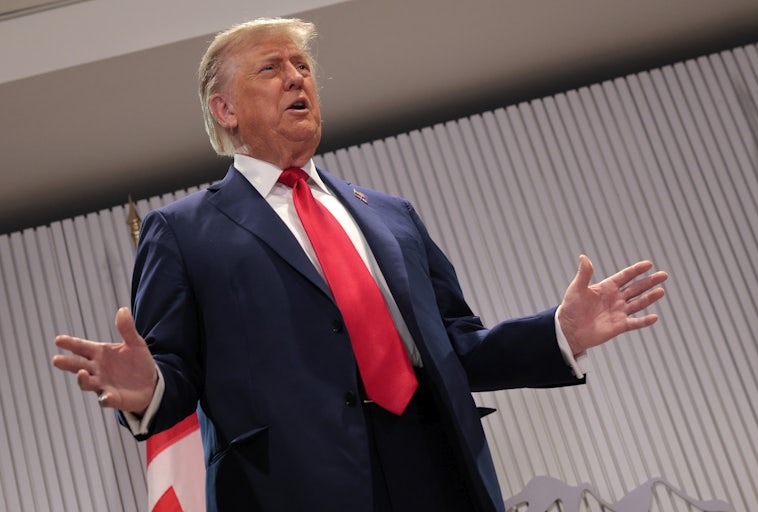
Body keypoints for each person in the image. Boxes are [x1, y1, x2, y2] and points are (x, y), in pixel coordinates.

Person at [52, 17, 668, 512]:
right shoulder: (181, 231)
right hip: (293, 486)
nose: (297, 77)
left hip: (438, 463)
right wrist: (148, 387)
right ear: (224, 110)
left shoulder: (391, 214)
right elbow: (175, 374)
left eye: (302, 66)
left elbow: (458, 346)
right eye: (271, 68)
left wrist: (558, 333)